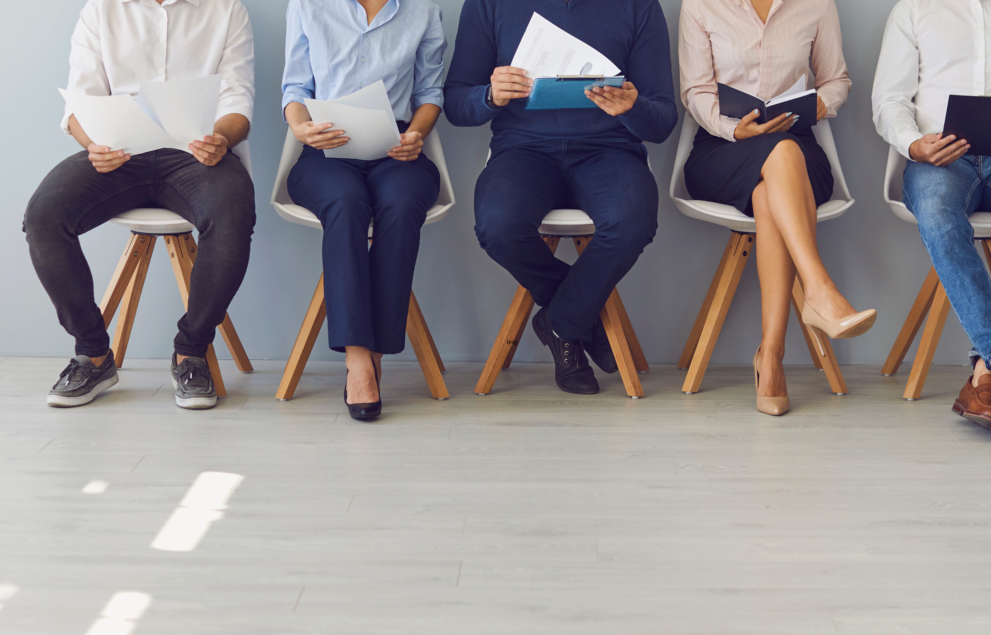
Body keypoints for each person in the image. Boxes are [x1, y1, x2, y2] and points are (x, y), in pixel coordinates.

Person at [24, 0, 256, 410]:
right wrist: (93, 145)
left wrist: (221, 137)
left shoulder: (225, 8)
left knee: (234, 213)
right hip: (118, 152)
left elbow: (238, 96)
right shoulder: (100, 8)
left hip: (196, 152)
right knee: (43, 215)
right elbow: (78, 101)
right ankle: (93, 354)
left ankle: (191, 353)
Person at [444, 0, 678, 396]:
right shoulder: (489, 4)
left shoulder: (638, 6)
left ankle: (561, 323)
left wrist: (632, 107)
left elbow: (663, 119)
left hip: (609, 150)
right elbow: (455, 103)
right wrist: (489, 95)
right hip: (523, 149)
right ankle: (581, 319)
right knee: (498, 224)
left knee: (632, 220)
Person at [679, 0, 875, 417]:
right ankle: (819, 291)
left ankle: (770, 356)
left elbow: (836, 79)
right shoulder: (700, 4)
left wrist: (821, 104)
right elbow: (695, 90)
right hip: (723, 147)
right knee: (775, 166)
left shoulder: (816, 4)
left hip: (799, 150)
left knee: (771, 189)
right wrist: (734, 127)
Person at [282, 0, 446, 420]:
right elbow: (296, 90)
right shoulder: (307, 5)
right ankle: (358, 360)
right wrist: (302, 128)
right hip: (324, 154)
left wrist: (417, 133)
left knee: (402, 201)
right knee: (346, 201)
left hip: (396, 151)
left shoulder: (423, 8)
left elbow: (429, 93)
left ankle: (375, 353)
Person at [873, 0, 991, 442]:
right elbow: (889, 98)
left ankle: (989, 368)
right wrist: (914, 144)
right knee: (940, 218)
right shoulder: (914, 10)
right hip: (938, 161)